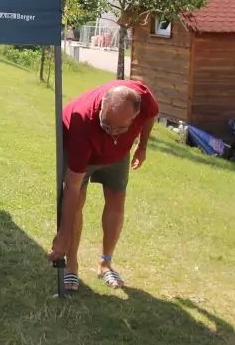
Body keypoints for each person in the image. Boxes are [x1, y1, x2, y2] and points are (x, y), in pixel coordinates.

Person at [48, 80, 159, 291]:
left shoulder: (144, 98)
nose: (112, 132)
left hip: (118, 153)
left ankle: (105, 264)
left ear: (135, 115)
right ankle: (72, 266)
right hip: (84, 147)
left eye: (121, 128)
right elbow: (71, 187)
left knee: (117, 199)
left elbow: (151, 115)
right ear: (101, 107)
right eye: (107, 124)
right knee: (77, 200)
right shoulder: (81, 120)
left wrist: (142, 146)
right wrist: (63, 235)